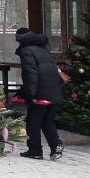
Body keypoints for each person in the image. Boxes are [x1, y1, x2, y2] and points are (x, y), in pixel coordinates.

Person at [15, 27, 65, 160]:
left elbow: (31, 74)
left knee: (33, 122)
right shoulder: (43, 49)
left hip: (39, 92)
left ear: (20, 40)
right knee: (48, 121)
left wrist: (29, 94)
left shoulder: (26, 51)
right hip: (52, 91)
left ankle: (35, 150)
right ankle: (55, 147)